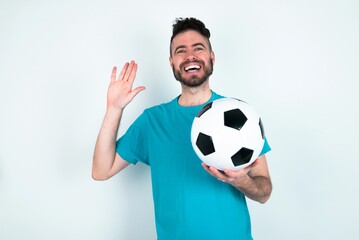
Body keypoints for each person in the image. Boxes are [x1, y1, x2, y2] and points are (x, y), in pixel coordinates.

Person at [92, 17, 272, 240]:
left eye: (198, 48)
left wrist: (240, 180)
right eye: (181, 51)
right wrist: (113, 109)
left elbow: (264, 192)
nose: (190, 56)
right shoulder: (152, 120)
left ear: (211, 57)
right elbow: (101, 171)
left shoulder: (240, 115)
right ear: (171, 62)